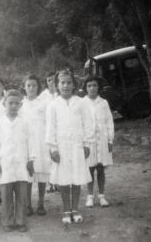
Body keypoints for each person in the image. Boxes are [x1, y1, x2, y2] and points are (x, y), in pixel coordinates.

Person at [46, 70, 94, 224]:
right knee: (64, 180)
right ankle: (66, 210)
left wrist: (86, 144)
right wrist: (53, 148)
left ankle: (75, 209)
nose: (65, 85)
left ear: (74, 85)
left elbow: (88, 124)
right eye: (62, 83)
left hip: (77, 145)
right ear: (57, 85)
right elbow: (50, 128)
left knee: (77, 178)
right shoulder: (53, 105)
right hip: (61, 147)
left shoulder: (81, 103)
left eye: (68, 82)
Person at [0, 89, 36, 232]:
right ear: (4, 103)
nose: (13, 106)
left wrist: (31, 161)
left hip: (21, 163)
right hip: (5, 164)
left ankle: (21, 221)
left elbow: (31, 142)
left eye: (16, 103)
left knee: (22, 195)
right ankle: (7, 221)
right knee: (6, 195)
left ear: (21, 105)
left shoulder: (25, 122)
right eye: (10, 103)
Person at [19, 74, 50, 216]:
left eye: (34, 85)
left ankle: (41, 203)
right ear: (24, 87)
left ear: (38, 87)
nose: (31, 88)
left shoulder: (44, 104)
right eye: (28, 85)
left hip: (41, 143)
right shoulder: (20, 105)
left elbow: (49, 124)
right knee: (28, 175)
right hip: (26, 144)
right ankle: (28, 204)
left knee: (42, 173)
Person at [82, 77, 114, 208]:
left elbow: (109, 122)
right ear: (86, 88)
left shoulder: (103, 102)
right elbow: (80, 123)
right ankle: (90, 196)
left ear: (98, 87)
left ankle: (101, 196)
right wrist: (83, 142)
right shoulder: (82, 103)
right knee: (89, 169)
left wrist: (110, 140)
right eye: (89, 86)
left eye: (94, 85)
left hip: (101, 138)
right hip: (88, 139)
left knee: (100, 168)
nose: (92, 88)